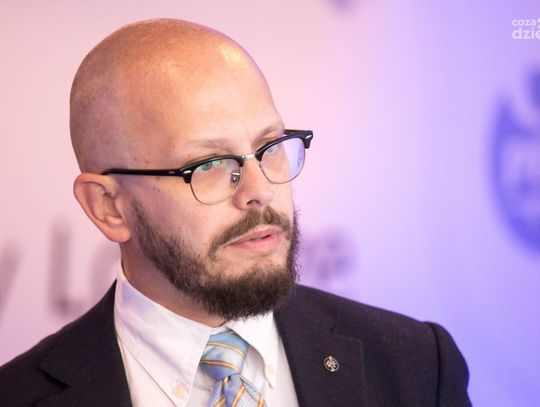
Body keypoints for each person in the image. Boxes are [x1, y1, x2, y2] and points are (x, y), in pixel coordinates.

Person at [0, 18, 472, 406]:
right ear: (109, 207)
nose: (259, 190)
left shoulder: (416, 365)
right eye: (209, 165)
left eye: (270, 147)